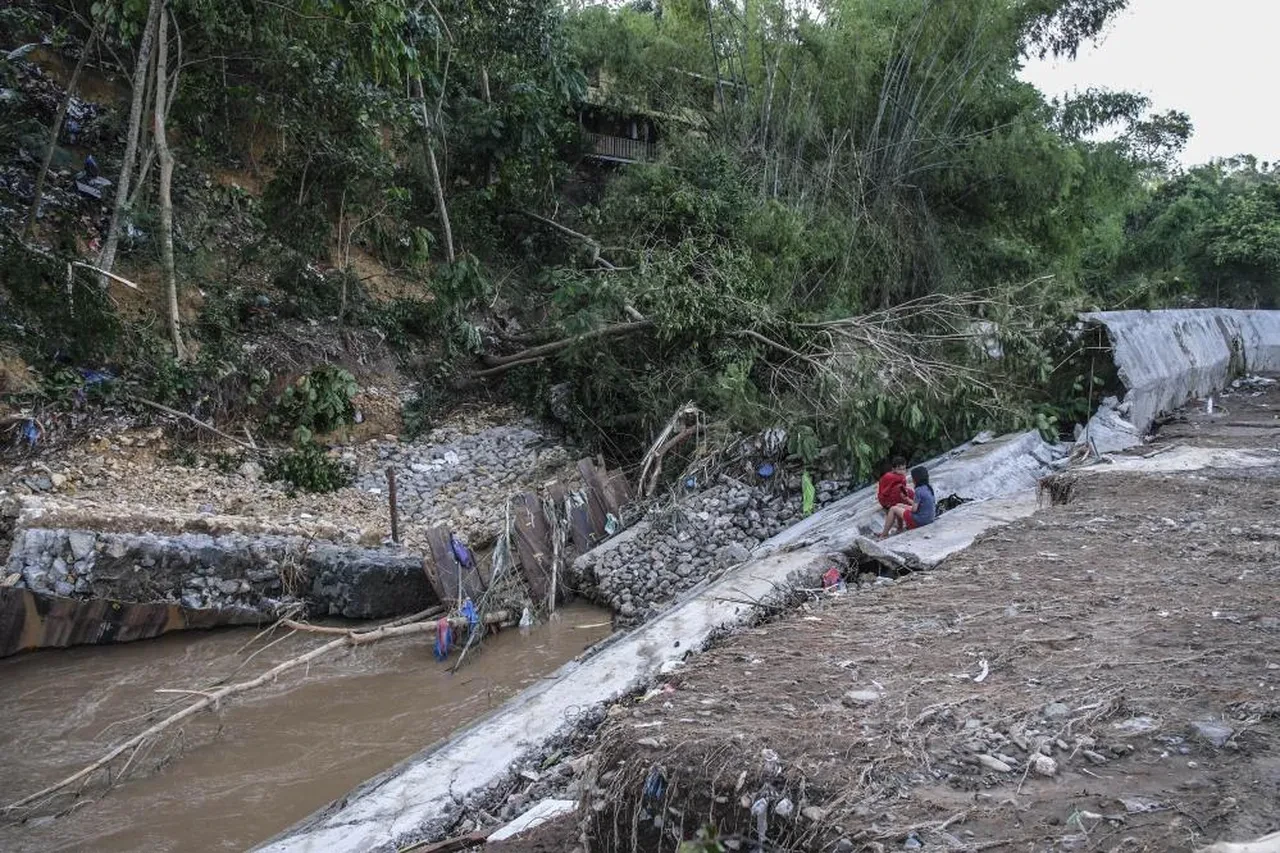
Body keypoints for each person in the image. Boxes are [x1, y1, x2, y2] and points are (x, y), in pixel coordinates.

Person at [880, 465, 936, 537]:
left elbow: (914, 509)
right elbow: (919, 505)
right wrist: (907, 499)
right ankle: (900, 529)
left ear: (915, 479)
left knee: (893, 509)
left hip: (919, 521)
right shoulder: (928, 487)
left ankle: (884, 534)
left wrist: (906, 508)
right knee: (899, 505)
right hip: (929, 518)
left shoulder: (918, 490)